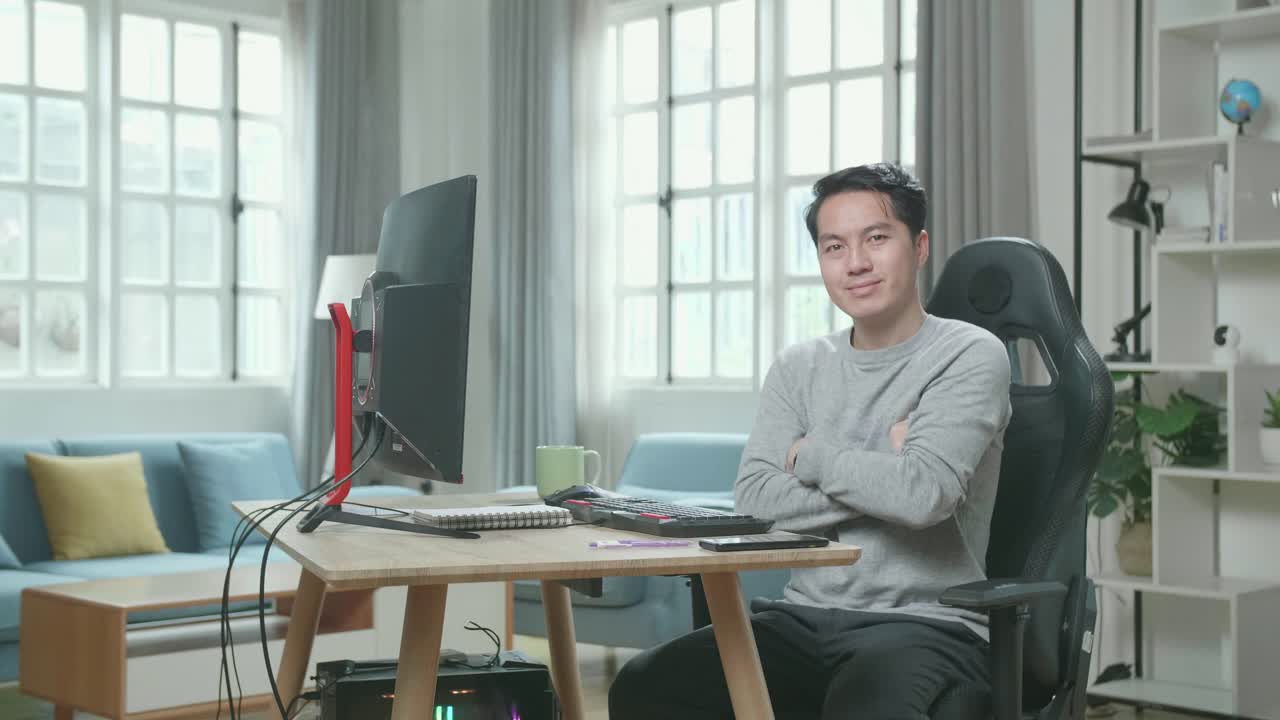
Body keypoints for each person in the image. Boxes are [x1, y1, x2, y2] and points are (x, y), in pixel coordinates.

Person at [608, 163, 1013, 719]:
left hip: (925, 624)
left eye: (876, 238)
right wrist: (887, 470)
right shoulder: (799, 367)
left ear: (918, 247)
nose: (857, 263)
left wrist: (813, 457)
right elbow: (754, 498)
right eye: (834, 247)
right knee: (645, 684)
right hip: (800, 619)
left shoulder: (969, 354)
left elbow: (924, 495)